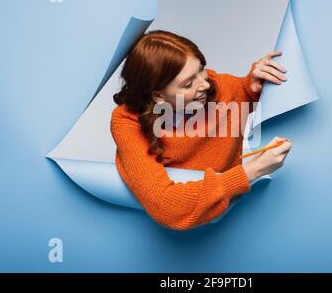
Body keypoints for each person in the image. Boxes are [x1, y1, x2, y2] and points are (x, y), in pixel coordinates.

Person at [111, 30, 292, 231]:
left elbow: (241, 93)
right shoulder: (127, 123)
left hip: (235, 220)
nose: (205, 84)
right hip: (173, 236)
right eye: (188, 84)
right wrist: (253, 170)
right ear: (158, 96)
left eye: (201, 69)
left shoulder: (213, 86)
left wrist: (255, 83)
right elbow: (166, 206)